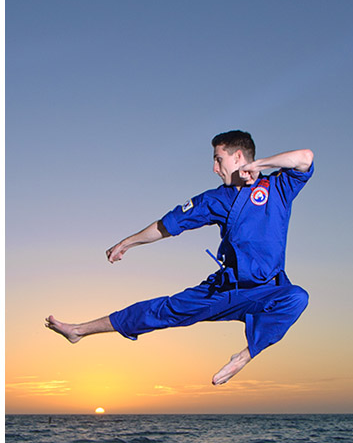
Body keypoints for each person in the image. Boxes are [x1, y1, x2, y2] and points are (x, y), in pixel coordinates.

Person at [46, 130, 314, 386]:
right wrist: (127, 243)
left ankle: (243, 357)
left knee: (297, 297)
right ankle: (79, 331)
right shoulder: (215, 199)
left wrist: (260, 164)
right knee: (162, 311)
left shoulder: (278, 187)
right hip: (224, 290)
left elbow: (305, 157)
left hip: (266, 290)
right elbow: (167, 226)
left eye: (218, 159)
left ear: (238, 157)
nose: (215, 168)